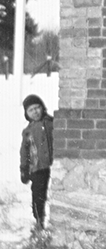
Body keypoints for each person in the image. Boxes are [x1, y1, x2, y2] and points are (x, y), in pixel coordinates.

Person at [20, 94, 53, 230]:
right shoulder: (27, 131)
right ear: (27, 114)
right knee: (38, 196)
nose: (35, 112)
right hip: (37, 168)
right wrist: (24, 169)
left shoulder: (51, 123)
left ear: (42, 108)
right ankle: (39, 222)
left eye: (37, 107)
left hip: (52, 164)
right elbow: (24, 152)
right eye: (31, 110)